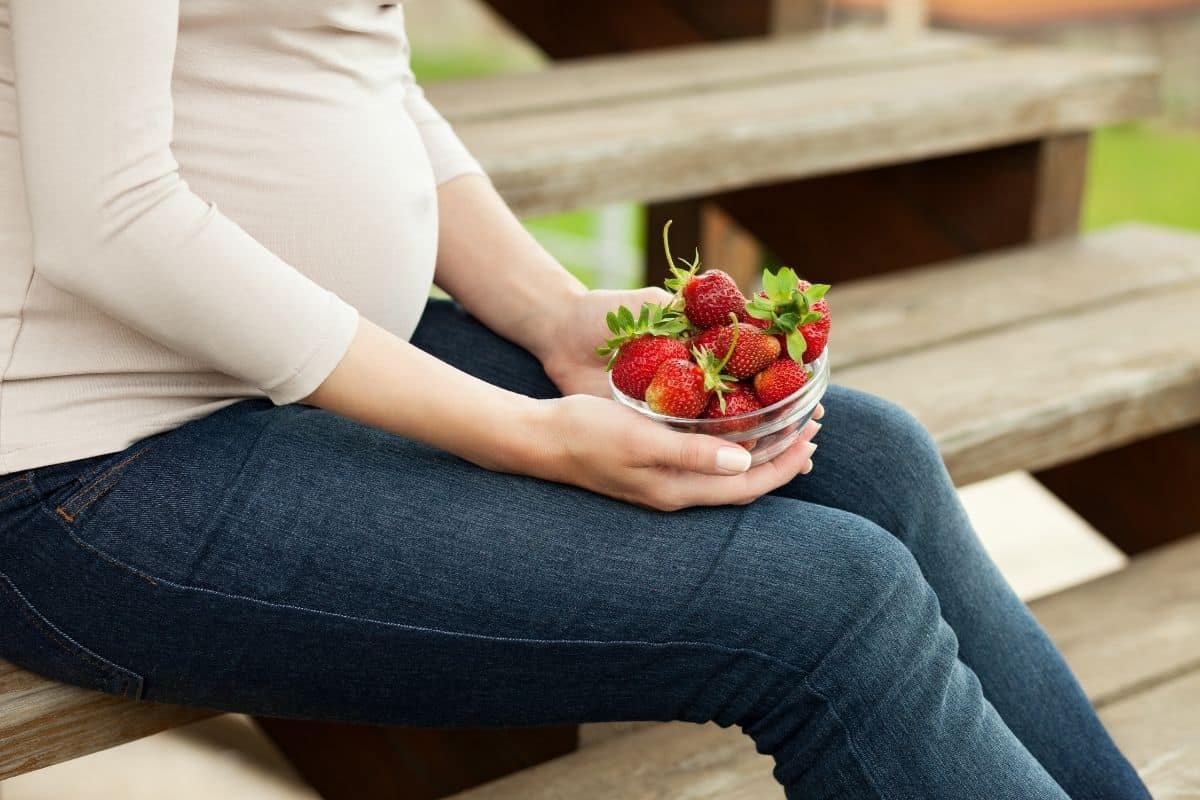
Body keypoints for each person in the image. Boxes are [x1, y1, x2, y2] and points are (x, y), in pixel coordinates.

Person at [0, 3, 1149, 798]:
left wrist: (547, 308)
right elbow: (110, 219)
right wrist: (532, 435)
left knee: (870, 454)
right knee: (827, 605)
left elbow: (351, 66)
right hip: (93, 463)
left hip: (293, 375)